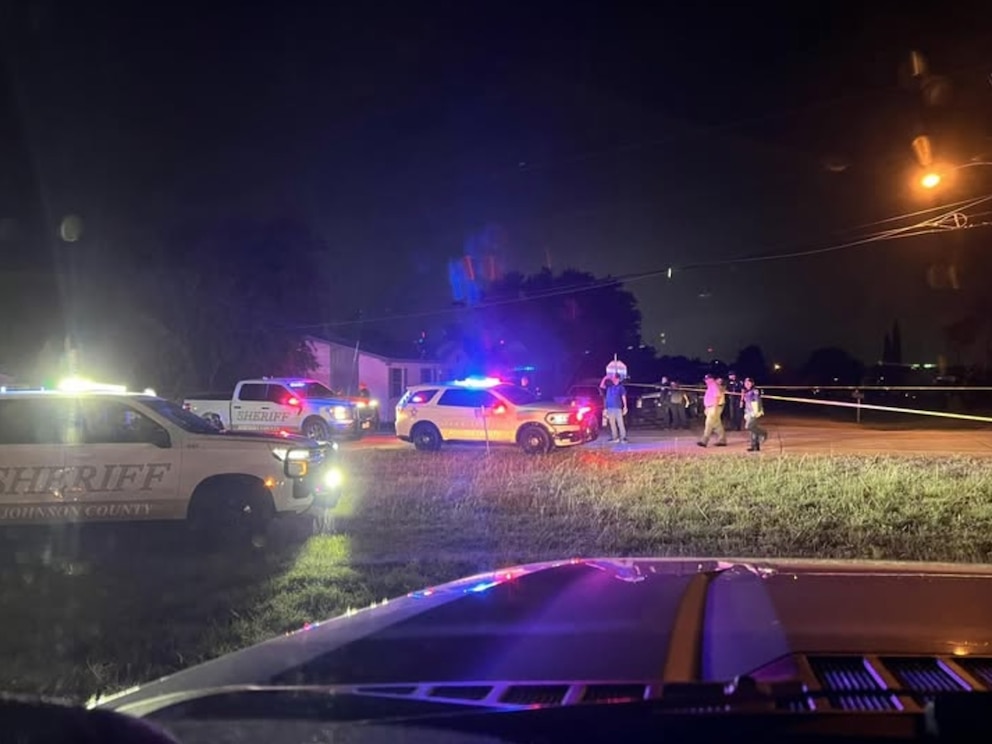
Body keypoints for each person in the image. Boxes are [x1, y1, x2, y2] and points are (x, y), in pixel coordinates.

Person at [697, 374, 727, 447]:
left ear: (711, 379)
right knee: (717, 425)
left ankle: (704, 441)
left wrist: (715, 408)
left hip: (714, 407)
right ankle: (722, 440)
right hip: (711, 407)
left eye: (707, 379)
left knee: (709, 424)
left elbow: (717, 397)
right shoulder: (711, 386)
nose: (706, 381)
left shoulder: (713, 385)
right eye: (706, 379)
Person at [600, 373, 628, 443]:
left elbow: (623, 396)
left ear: (618, 379)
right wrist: (605, 377)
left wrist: (625, 406)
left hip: (618, 407)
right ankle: (615, 437)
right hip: (610, 407)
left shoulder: (620, 387)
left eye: (614, 378)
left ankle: (623, 437)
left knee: (620, 423)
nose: (613, 379)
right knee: (612, 423)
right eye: (613, 378)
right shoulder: (609, 386)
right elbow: (601, 386)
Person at [742, 377, 768, 452]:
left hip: (754, 412)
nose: (747, 384)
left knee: (748, 426)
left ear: (752, 383)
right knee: (752, 430)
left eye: (748, 383)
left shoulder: (755, 391)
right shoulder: (746, 391)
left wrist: (756, 412)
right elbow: (747, 403)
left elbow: (758, 401)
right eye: (745, 383)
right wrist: (745, 412)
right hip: (748, 411)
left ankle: (763, 433)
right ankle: (755, 446)